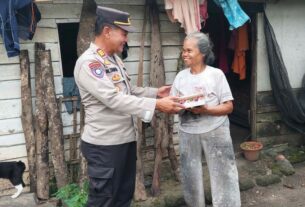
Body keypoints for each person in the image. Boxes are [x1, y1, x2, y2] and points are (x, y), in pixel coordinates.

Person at [74, 6, 184, 207]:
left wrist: (156, 92)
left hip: (123, 141)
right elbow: (114, 99)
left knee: (123, 197)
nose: (126, 39)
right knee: (104, 201)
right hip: (104, 146)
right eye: (123, 34)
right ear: (107, 31)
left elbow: (127, 91)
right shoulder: (90, 63)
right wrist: (157, 105)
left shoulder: (113, 59)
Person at [170, 32, 241, 207]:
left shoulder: (216, 75)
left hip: (216, 129)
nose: (184, 54)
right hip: (188, 132)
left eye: (188, 50)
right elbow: (173, 104)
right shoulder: (180, 77)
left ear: (202, 53)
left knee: (224, 173)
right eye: (183, 50)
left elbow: (228, 107)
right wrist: (181, 106)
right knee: (190, 175)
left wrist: (206, 109)